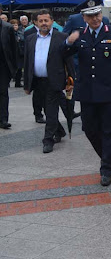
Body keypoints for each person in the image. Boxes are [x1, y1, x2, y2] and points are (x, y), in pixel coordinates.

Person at [66, 5, 111, 186]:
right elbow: (62, 54)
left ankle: (106, 169)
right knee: (89, 129)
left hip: (109, 91)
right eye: (90, 16)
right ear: (83, 17)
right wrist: (69, 42)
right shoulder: (79, 35)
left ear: (101, 14)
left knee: (109, 131)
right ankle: (107, 156)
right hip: (87, 91)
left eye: (96, 15)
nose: (95, 19)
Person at [23, 9, 74, 152]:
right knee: (46, 108)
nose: (44, 23)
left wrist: (71, 80)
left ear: (52, 21)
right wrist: (27, 84)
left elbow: (68, 60)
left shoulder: (61, 37)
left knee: (51, 110)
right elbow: (28, 62)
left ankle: (48, 139)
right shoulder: (30, 38)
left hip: (55, 80)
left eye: (46, 20)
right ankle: (60, 131)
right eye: (41, 21)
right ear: (35, 23)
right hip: (38, 81)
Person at [0, 11, 18, 129]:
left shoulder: (7, 28)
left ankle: (3, 119)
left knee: (2, 92)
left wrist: (14, 68)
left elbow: (14, 49)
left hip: (3, 66)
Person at [10, 19, 24, 88]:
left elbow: (23, 39)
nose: (14, 26)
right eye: (13, 25)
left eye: (16, 25)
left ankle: (18, 82)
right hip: (12, 53)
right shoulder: (9, 33)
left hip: (20, 52)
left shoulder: (20, 32)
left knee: (19, 68)